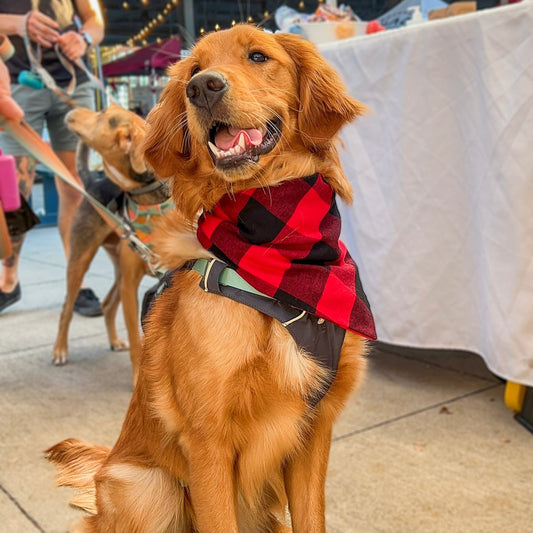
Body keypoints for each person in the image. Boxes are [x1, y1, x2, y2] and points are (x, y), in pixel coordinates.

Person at [0, 1, 105, 315]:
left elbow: (95, 21)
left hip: (72, 81)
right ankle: (9, 280)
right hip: (18, 80)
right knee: (15, 192)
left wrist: (84, 38)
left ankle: (78, 282)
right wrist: (18, 24)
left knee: (74, 187)